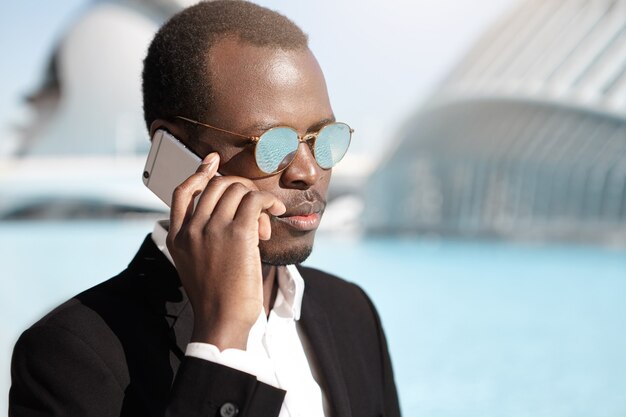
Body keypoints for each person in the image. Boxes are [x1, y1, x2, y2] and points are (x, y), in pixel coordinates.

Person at [9, 1, 401, 416]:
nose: (308, 171)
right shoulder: (67, 355)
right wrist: (221, 341)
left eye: (325, 137)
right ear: (175, 150)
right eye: (271, 145)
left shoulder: (351, 312)